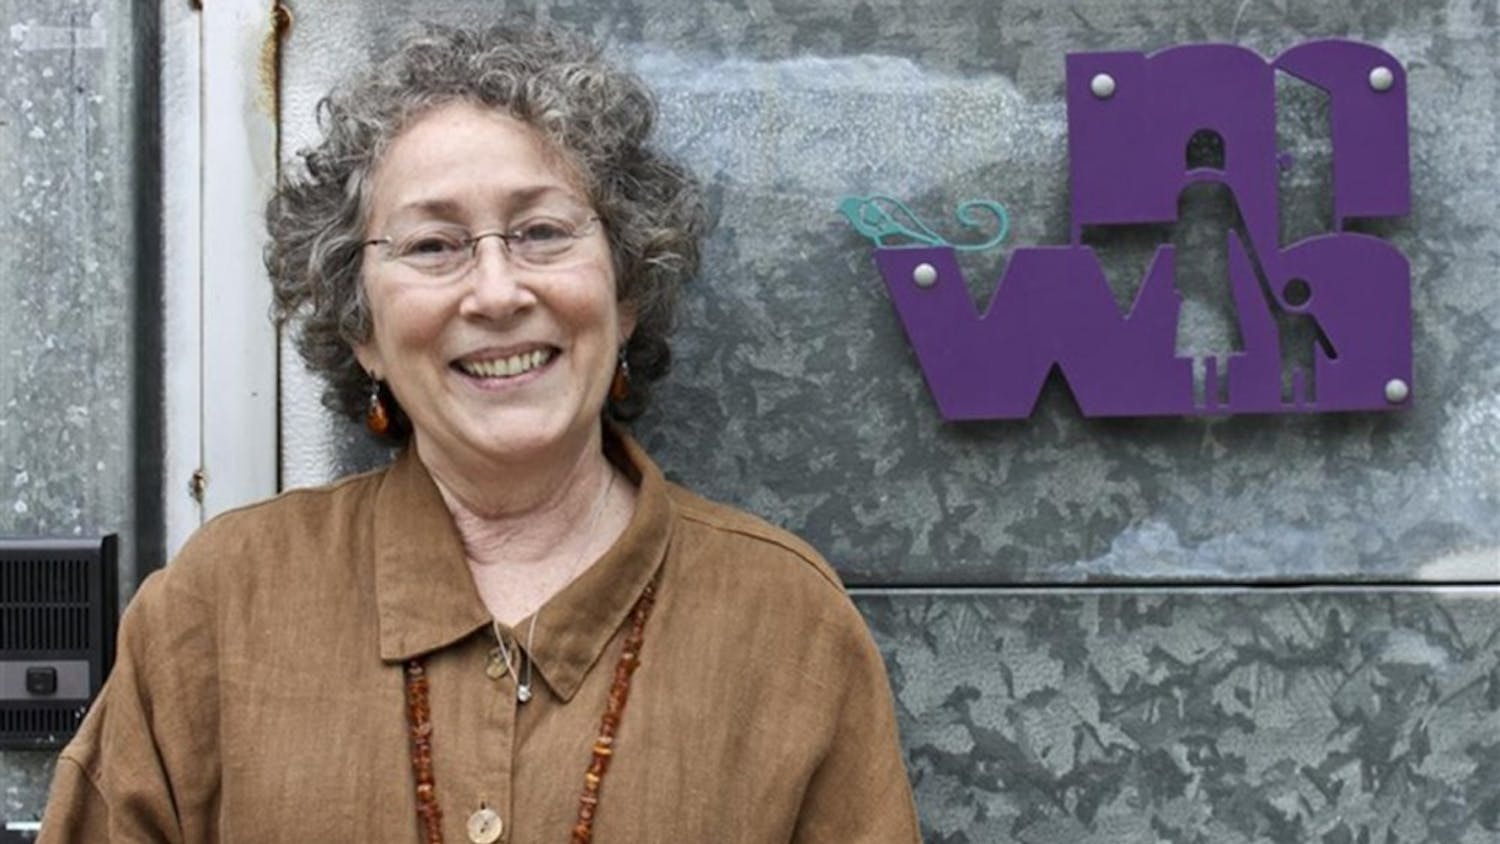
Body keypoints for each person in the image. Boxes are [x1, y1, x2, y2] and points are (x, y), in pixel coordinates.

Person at [39, 22, 921, 844]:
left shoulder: (787, 624)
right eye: (433, 246)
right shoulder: (218, 608)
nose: (497, 292)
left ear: (625, 294)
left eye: (541, 232)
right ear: (360, 326)